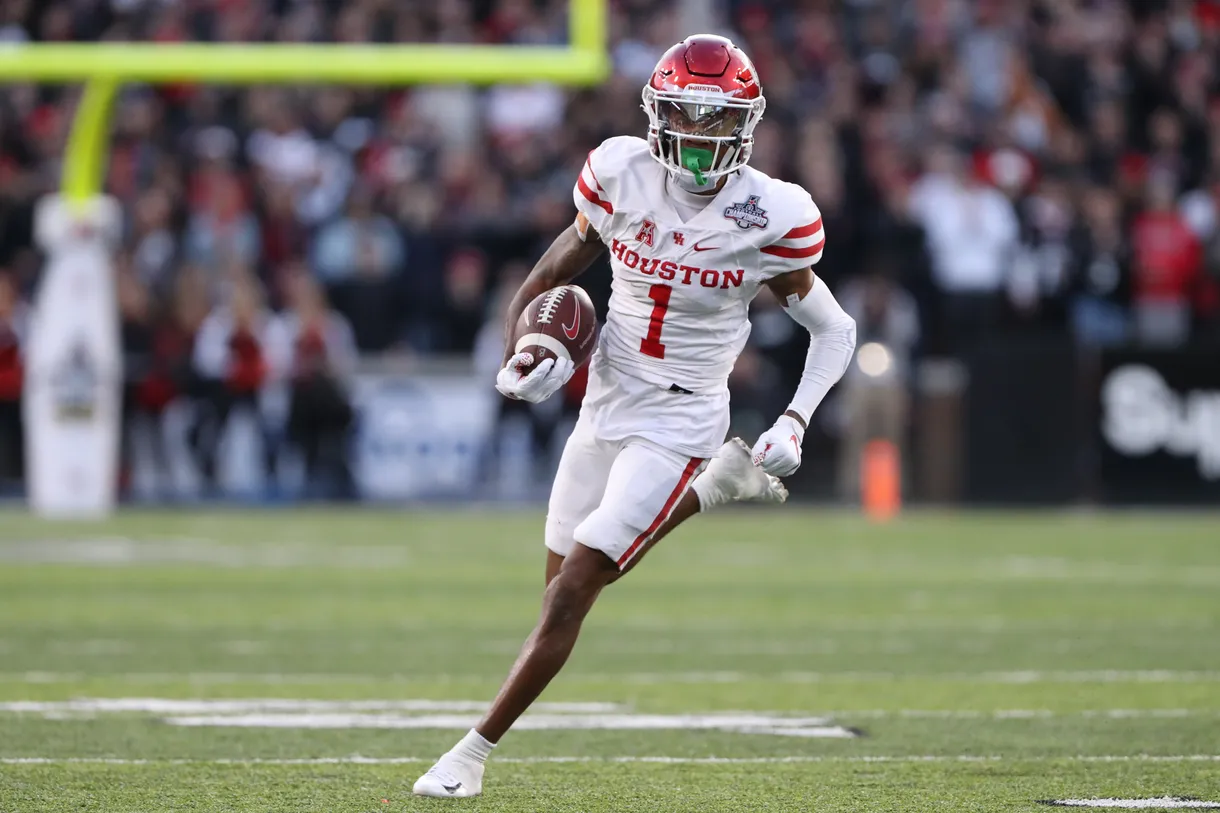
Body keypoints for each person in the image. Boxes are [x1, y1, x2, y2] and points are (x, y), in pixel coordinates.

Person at [413, 35, 857, 799]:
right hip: (605, 401)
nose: (701, 135)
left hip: (680, 421)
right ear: (657, 114)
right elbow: (551, 275)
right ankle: (719, 485)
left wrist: (795, 418)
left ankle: (470, 754)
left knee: (574, 587)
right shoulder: (621, 172)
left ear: (747, 125)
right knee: (557, 589)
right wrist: (523, 353)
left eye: (718, 119)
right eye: (687, 114)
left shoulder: (771, 211)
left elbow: (836, 329)